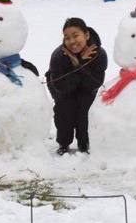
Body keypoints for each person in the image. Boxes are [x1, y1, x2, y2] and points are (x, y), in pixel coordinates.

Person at [46, 18, 107, 155]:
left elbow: (94, 83)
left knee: (85, 108)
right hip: (61, 85)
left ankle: (84, 142)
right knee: (65, 108)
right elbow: (61, 87)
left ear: (86, 35)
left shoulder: (99, 54)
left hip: (87, 85)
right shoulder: (58, 55)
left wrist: (79, 65)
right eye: (67, 38)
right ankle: (64, 142)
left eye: (75, 35)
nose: (72, 41)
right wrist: (77, 65)